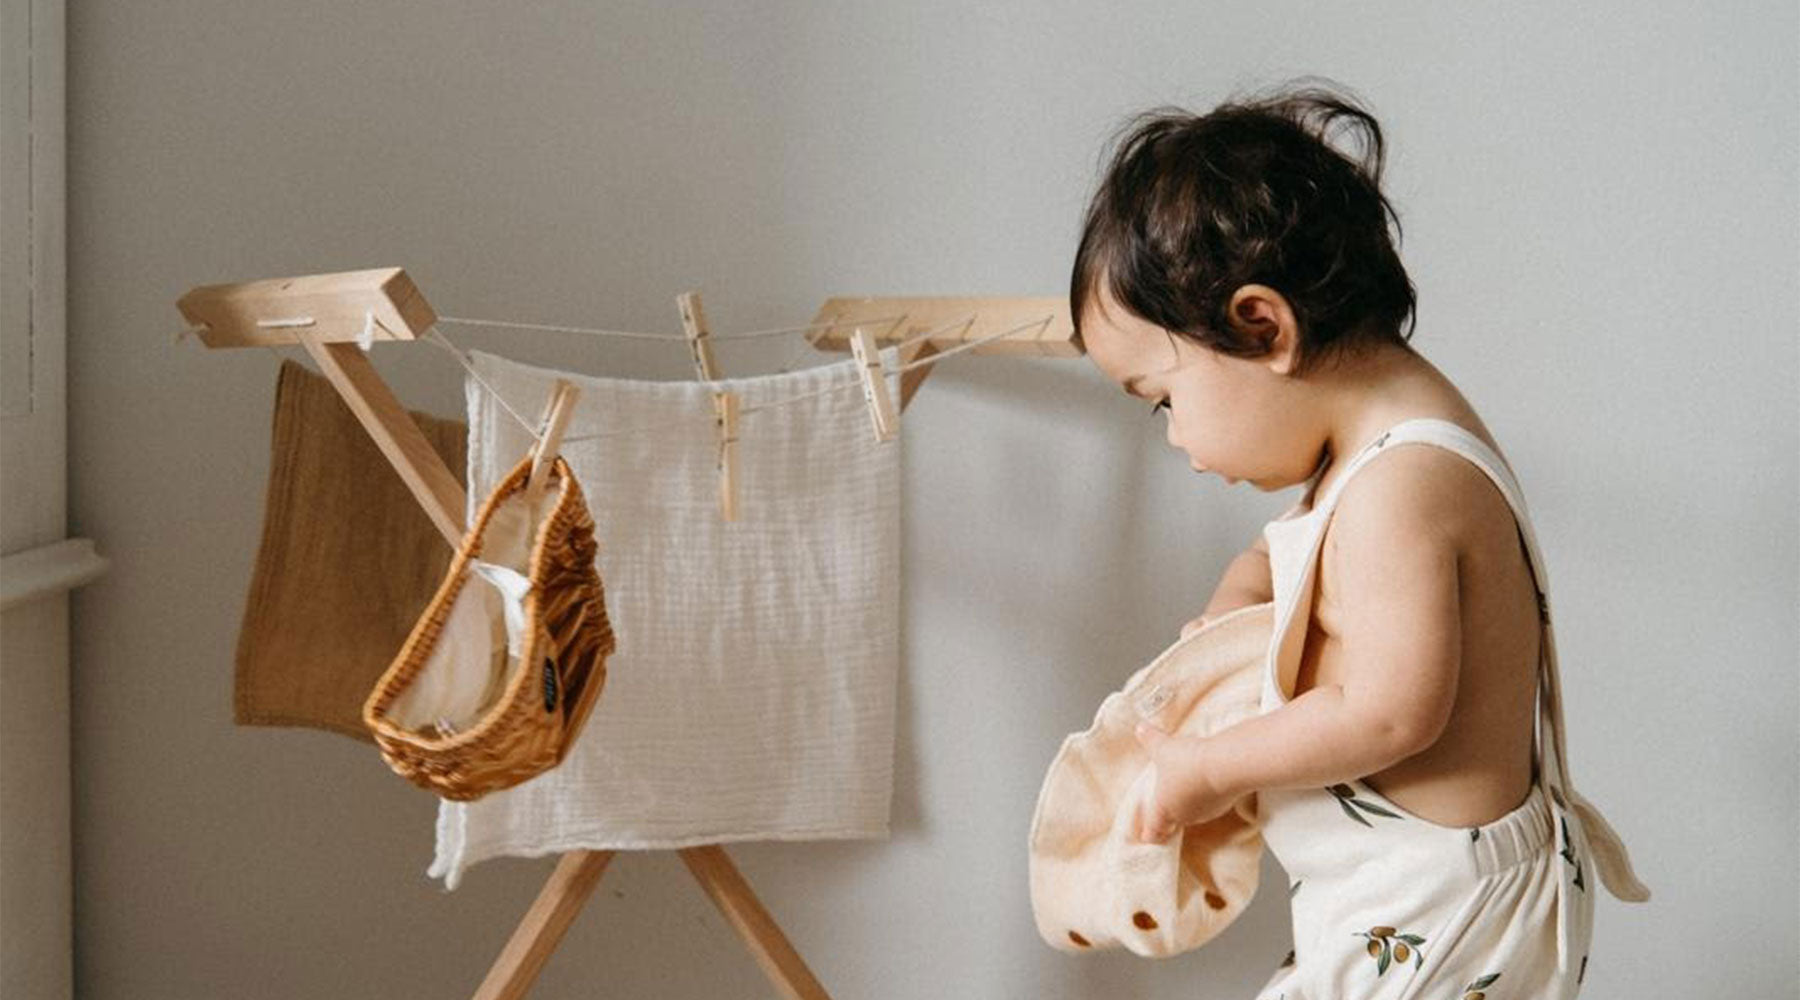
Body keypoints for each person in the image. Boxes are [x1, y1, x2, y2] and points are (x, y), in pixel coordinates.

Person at [1071, 78, 1648, 998]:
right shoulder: (1374, 457)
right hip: (1401, 910)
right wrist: (1236, 601)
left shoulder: (1401, 488)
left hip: (1438, 921)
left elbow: (1389, 713)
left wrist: (1208, 769)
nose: (1177, 439)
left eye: (1165, 400)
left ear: (1262, 326)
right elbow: (1293, 557)